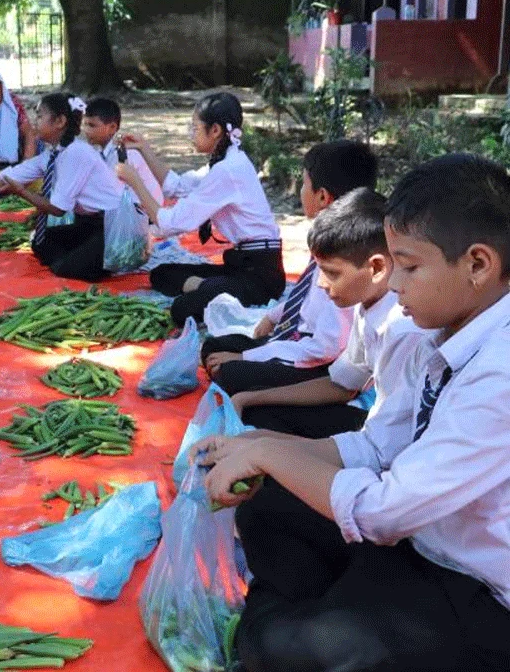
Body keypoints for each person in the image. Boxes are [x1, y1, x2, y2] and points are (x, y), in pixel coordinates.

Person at [192, 153, 510, 672]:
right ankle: (319, 615)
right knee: (266, 507)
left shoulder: (498, 373)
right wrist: (260, 447)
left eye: (409, 266)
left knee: (283, 648)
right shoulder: (444, 332)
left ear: (477, 264)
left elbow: (383, 511)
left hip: (479, 589)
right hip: (424, 541)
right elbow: (379, 444)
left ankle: (302, 627)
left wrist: (271, 454)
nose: (396, 285)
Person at [230, 187, 423, 438]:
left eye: (331, 272)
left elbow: (386, 440)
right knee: (255, 411)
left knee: (260, 425)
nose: (321, 283)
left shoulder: (402, 329)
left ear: (376, 268)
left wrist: (269, 446)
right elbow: (342, 385)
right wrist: (250, 398)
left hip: (385, 434)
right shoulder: (366, 306)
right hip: (374, 425)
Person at [199, 140, 377, 395]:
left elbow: (325, 349)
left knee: (231, 373)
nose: (300, 191)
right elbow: (306, 299)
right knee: (215, 348)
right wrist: (273, 317)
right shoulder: (332, 241)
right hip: (299, 340)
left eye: (304, 183)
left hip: (320, 362)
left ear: (322, 196)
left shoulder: (347, 261)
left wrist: (248, 357)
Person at [117, 93, 284, 327]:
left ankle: (210, 288)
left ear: (215, 130)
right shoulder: (223, 163)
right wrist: (143, 149)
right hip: (240, 265)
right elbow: (176, 187)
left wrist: (135, 181)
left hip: (259, 275)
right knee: (161, 274)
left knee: (182, 310)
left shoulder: (228, 170)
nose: (191, 134)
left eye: (195, 128)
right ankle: (209, 287)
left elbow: (170, 223)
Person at [0, 93, 125, 282]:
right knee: (42, 242)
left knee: (65, 269)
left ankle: (105, 258)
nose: (34, 122)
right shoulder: (53, 154)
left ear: (59, 121)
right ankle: (89, 257)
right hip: (89, 222)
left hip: (114, 225)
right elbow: (0, 179)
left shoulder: (76, 153)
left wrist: (22, 192)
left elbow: (58, 209)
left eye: (39, 116)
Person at [81, 97, 162, 205]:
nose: (86, 130)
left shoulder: (123, 154)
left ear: (112, 127)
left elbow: (109, 195)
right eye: (85, 124)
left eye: (92, 125)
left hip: (141, 211)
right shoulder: (101, 151)